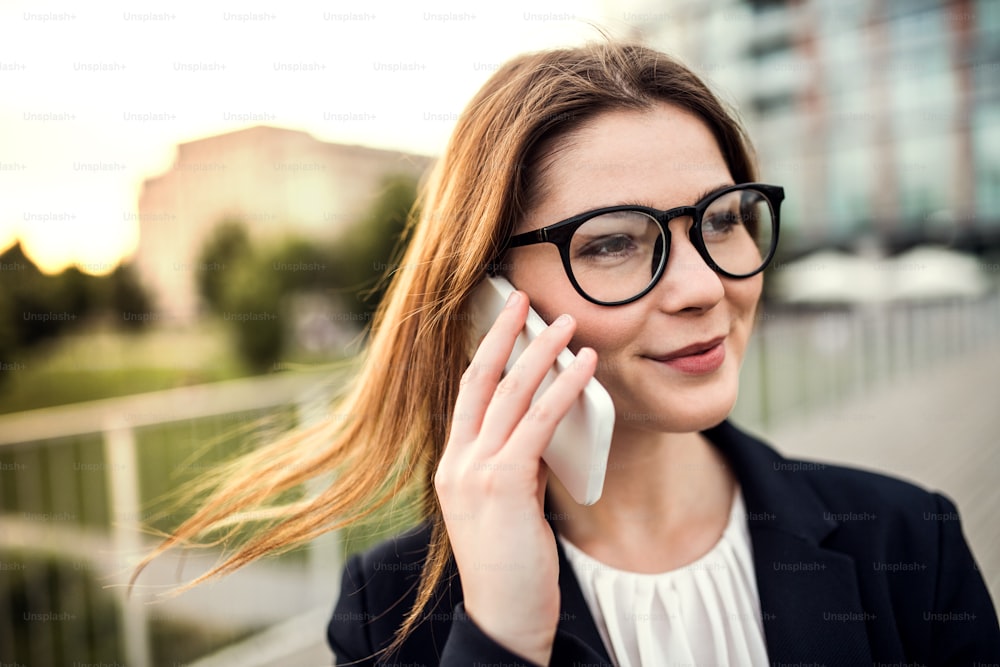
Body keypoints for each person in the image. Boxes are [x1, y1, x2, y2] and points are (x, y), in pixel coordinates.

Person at [142, 42, 1000, 665]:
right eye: (616, 242)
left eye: (723, 218)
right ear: (492, 299)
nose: (703, 285)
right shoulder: (393, 613)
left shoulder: (907, 539)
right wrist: (504, 641)